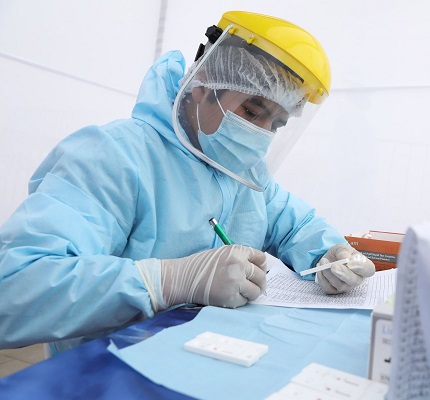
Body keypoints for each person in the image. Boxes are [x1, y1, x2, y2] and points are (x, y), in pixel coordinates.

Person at [0, 10, 375, 354]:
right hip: (108, 372)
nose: (260, 134)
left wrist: (329, 254)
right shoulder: (113, 155)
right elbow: (15, 287)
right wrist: (165, 281)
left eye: (275, 124)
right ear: (203, 85)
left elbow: (297, 224)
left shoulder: (241, 174)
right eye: (251, 111)